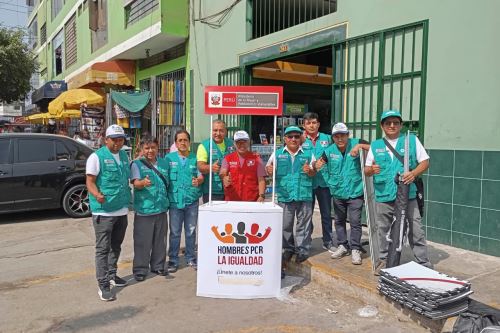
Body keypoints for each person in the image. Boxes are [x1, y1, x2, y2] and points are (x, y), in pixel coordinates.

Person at [364, 110, 432, 274]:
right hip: (384, 195)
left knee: (416, 230)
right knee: (383, 230)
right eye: (388, 123)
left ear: (401, 125)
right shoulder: (376, 145)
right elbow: (366, 170)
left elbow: (425, 162)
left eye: (395, 122)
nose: (392, 126)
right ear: (382, 126)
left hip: (408, 195)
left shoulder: (411, 141)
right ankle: (385, 261)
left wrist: (413, 173)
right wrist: (371, 169)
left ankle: (423, 264)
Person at [86, 124, 131, 301]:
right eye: (114, 139)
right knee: (102, 249)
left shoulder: (123, 156)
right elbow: (90, 181)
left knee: (116, 246)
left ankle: (112, 275)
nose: (118, 143)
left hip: (121, 209)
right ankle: (103, 285)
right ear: (106, 140)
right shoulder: (96, 157)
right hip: (104, 211)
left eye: (120, 139)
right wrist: (97, 194)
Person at [315, 123, 370, 265]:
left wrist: (360, 147)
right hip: (338, 192)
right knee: (339, 220)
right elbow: (319, 165)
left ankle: (355, 249)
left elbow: (375, 149)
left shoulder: (356, 143)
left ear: (348, 135)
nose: (340, 139)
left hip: (355, 191)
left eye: (343, 135)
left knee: (355, 221)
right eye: (337, 136)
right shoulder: (329, 151)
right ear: (333, 137)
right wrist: (326, 177)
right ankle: (343, 245)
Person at [266, 125, 316, 269]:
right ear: (285, 139)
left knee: (304, 225)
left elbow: (313, 172)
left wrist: (310, 170)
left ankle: (302, 250)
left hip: (304, 194)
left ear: (300, 138)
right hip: (285, 195)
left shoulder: (308, 153)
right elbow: (269, 171)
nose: (293, 139)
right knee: (285, 225)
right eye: (290, 136)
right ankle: (288, 249)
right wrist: (269, 170)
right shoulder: (277, 154)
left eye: (296, 136)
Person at [130, 135, 170, 282]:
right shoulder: (136, 164)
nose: (150, 150)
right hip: (144, 210)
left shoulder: (165, 163)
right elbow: (135, 183)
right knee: (142, 242)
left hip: (161, 209)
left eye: (153, 147)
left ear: (157, 148)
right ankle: (140, 269)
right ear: (141, 149)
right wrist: (142, 183)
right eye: (147, 148)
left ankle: (158, 265)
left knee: (160, 240)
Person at [165, 130, 204, 272]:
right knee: (175, 232)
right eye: (180, 140)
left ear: (189, 142)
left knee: (191, 231)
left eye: (185, 140)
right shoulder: (169, 159)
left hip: (191, 200)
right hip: (175, 201)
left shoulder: (195, 158)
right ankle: (173, 260)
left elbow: (201, 176)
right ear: (175, 143)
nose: (182, 143)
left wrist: (199, 180)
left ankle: (190, 258)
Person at [301, 112, 335, 253]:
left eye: (314, 122)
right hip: (307, 182)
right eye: (308, 123)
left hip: (324, 182)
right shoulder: (300, 140)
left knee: (326, 214)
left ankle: (327, 241)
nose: (311, 125)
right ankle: (306, 242)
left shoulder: (327, 138)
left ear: (318, 124)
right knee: (306, 214)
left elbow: (334, 155)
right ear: (304, 125)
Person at [219, 130, 266, 202]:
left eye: (244, 142)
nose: (242, 145)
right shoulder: (227, 158)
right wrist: (225, 177)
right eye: (238, 142)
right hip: (232, 200)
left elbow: (261, 179)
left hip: (251, 200)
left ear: (248, 142)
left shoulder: (257, 159)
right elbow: (223, 173)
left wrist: (261, 195)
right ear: (234, 143)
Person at [197, 119, 234, 203]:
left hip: (230, 189)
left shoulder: (232, 144)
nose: (218, 133)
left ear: (225, 131)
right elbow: (200, 166)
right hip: (212, 191)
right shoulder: (204, 146)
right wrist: (210, 167)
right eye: (215, 130)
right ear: (211, 131)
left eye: (221, 130)